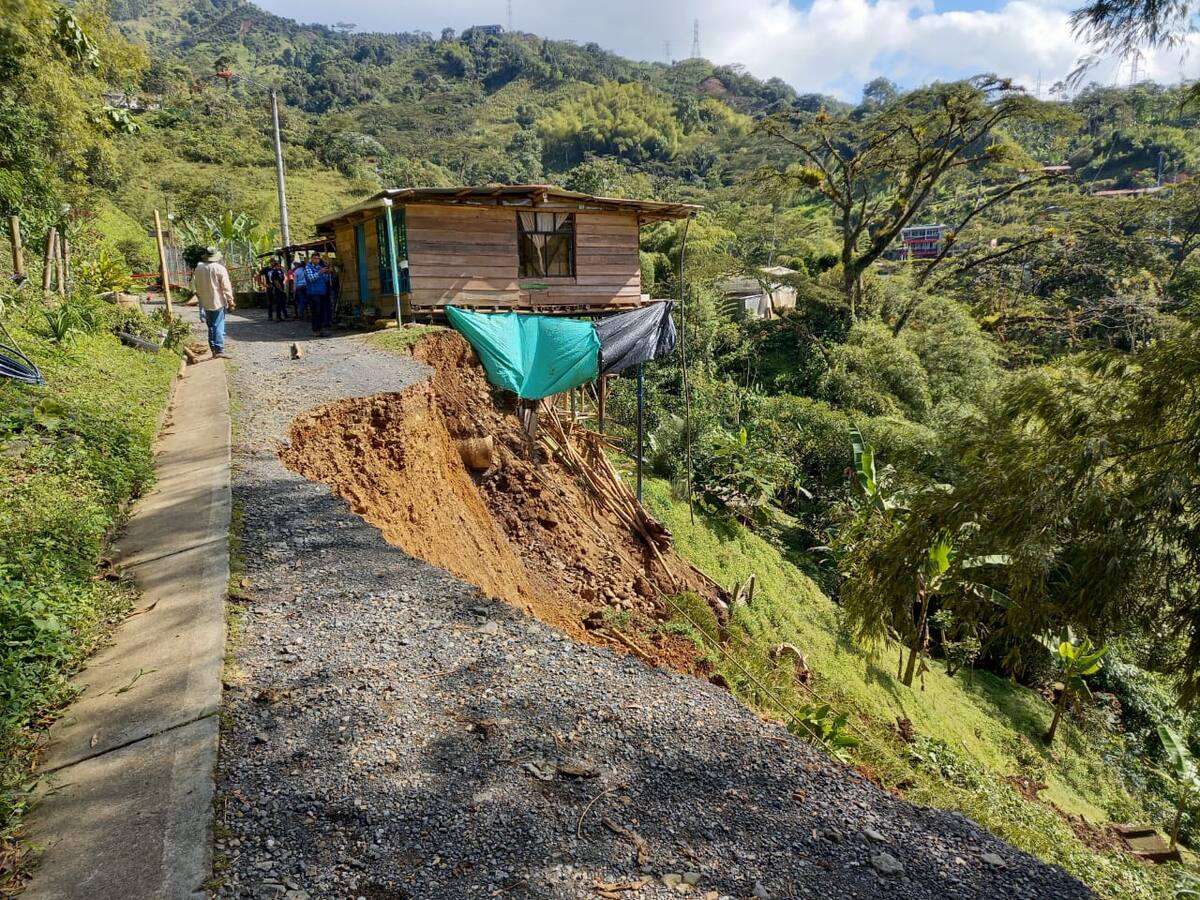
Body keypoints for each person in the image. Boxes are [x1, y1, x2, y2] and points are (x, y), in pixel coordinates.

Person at [191, 246, 235, 358]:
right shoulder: (219, 268)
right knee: (218, 326)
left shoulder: (198, 268)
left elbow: (194, 285)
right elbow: (226, 286)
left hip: (205, 301)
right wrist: (230, 300)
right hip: (218, 301)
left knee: (210, 326)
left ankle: (213, 348)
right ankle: (219, 349)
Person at [305, 253, 333, 337]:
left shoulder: (319, 267)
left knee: (321, 312)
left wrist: (327, 272)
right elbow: (311, 278)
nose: (317, 260)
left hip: (322, 293)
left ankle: (320, 330)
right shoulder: (308, 267)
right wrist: (320, 272)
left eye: (318, 258)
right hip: (313, 293)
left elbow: (325, 279)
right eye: (315, 258)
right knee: (315, 313)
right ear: (311, 259)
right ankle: (315, 330)